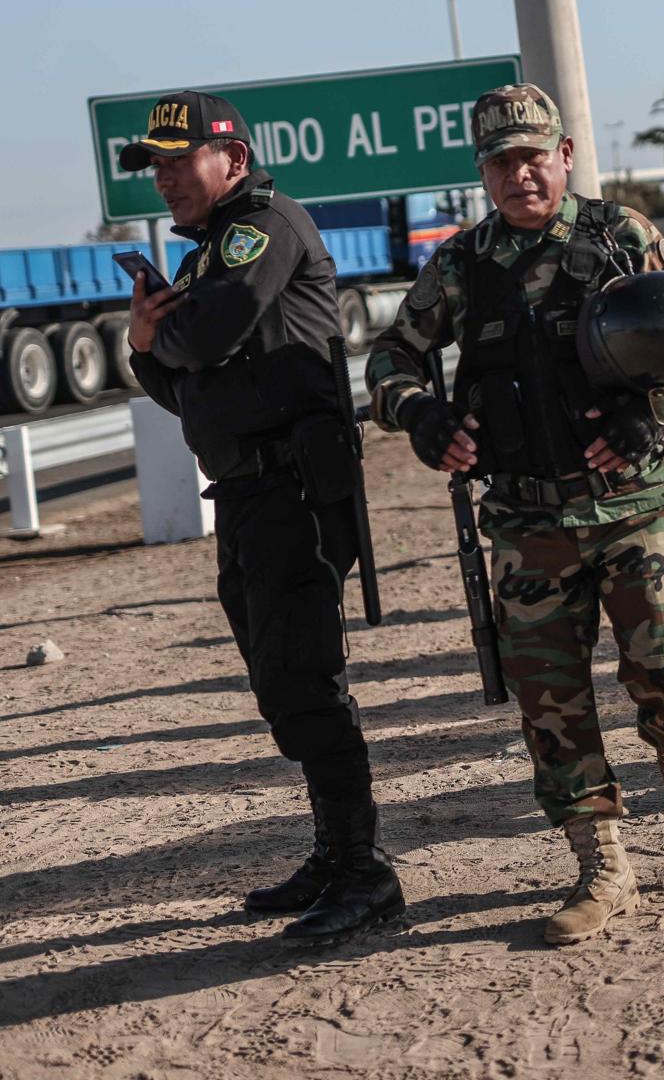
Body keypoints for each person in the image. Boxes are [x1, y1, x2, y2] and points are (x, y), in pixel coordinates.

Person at [365, 84, 664, 944]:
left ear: (565, 155)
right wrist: (419, 415)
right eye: (501, 161)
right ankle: (604, 865)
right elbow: (390, 359)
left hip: (634, 506)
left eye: (535, 156)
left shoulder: (621, 237)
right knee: (550, 702)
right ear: (484, 172)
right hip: (526, 519)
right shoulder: (461, 266)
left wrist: (653, 409)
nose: (520, 174)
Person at [123, 90, 403, 945]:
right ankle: (333, 852)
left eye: (179, 160)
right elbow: (183, 387)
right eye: (156, 165)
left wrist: (160, 338)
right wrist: (147, 344)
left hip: (294, 492)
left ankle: (365, 871)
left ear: (232, 161)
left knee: (303, 678)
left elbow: (204, 346)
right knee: (277, 679)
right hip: (246, 492)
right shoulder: (206, 257)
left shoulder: (262, 230)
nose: (165, 177)